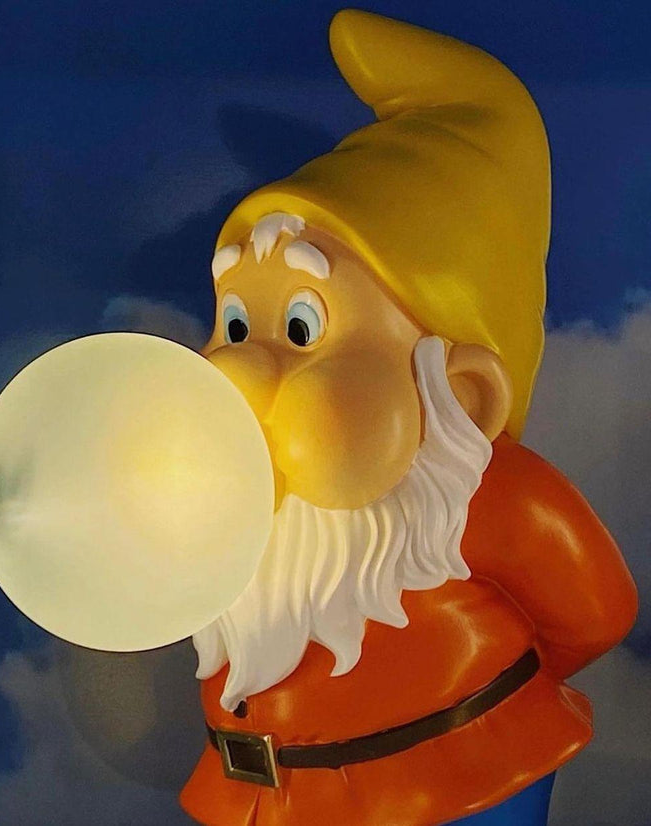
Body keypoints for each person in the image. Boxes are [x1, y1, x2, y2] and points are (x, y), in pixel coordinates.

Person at [179, 10, 638, 825]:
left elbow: (594, 614)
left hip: (460, 787)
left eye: (302, 330)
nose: (243, 370)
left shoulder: (485, 500)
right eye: (236, 327)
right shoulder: (232, 507)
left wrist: (471, 698)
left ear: (461, 393)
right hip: (259, 795)